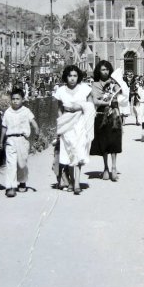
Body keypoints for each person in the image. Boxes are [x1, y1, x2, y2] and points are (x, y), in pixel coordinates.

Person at [53, 65, 96, 195]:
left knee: (78, 150)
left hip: (80, 122)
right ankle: (71, 181)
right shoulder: (60, 91)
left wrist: (80, 106)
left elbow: (91, 106)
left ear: (78, 77)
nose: (72, 78)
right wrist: (61, 126)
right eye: (70, 76)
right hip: (67, 123)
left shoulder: (84, 89)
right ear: (66, 76)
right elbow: (60, 109)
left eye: (75, 76)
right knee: (69, 151)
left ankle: (76, 182)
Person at [0, 88, 39, 198]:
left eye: (18, 99)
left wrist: (37, 132)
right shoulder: (7, 112)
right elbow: (4, 127)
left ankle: (22, 181)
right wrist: (1, 141)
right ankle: (10, 187)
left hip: (23, 140)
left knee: (22, 164)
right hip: (10, 140)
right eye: (13, 99)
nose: (15, 101)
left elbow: (33, 122)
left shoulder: (26, 111)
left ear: (22, 100)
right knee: (11, 164)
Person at [90, 60, 124, 182]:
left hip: (113, 115)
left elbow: (120, 96)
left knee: (114, 141)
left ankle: (114, 168)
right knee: (103, 142)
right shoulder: (95, 84)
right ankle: (105, 168)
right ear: (99, 71)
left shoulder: (114, 83)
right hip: (101, 114)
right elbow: (95, 101)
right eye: (103, 69)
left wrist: (115, 92)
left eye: (107, 69)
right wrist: (108, 102)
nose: (105, 72)